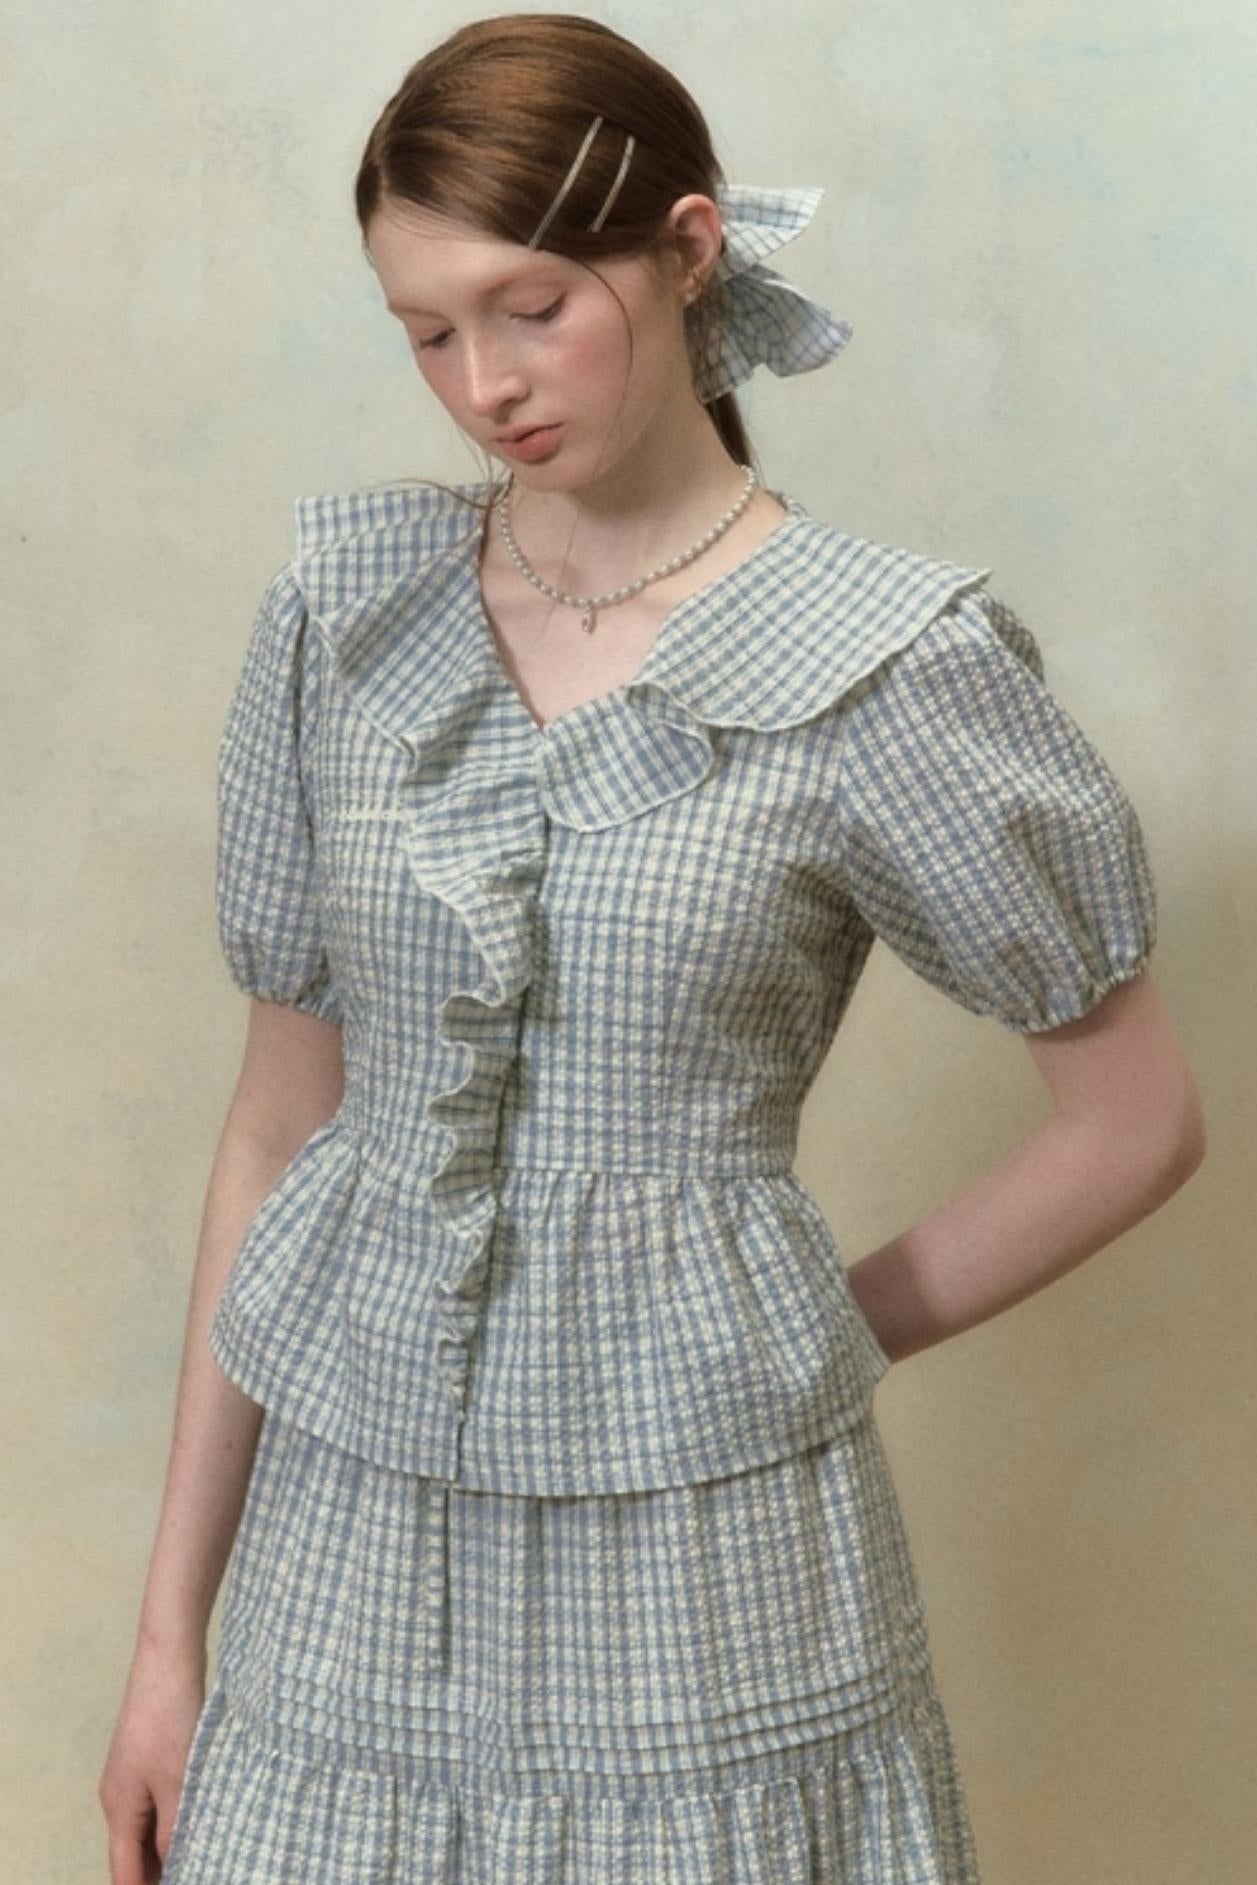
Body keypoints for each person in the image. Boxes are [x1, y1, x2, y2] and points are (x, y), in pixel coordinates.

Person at [99, 14, 1206, 1882]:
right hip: (346, 1559)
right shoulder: (348, 615)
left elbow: (1135, 1121)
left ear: (688, 249)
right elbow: (279, 1131)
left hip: (711, 1564)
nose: (482, 384)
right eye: (425, 332)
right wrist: (162, 1649)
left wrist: (814, 1329)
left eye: (531, 307)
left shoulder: (885, 663)